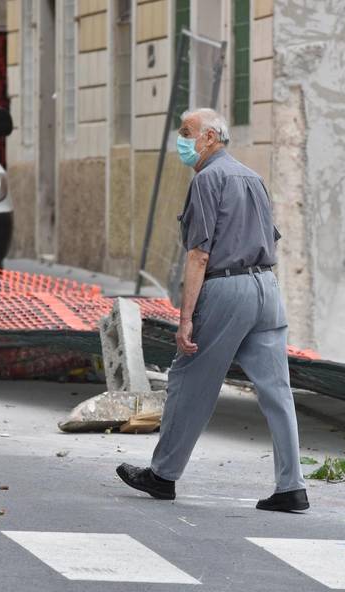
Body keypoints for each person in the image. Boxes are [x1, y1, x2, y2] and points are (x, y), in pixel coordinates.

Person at [116, 108, 309, 513]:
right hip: (267, 288)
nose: (181, 141)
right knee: (277, 390)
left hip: (227, 288)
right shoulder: (252, 177)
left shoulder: (207, 179)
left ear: (209, 138)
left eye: (187, 133)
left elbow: (199, 254)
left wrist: (186, 318)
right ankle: (292, 486)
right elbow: (270, 236)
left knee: (189, 379)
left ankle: (163, 475)